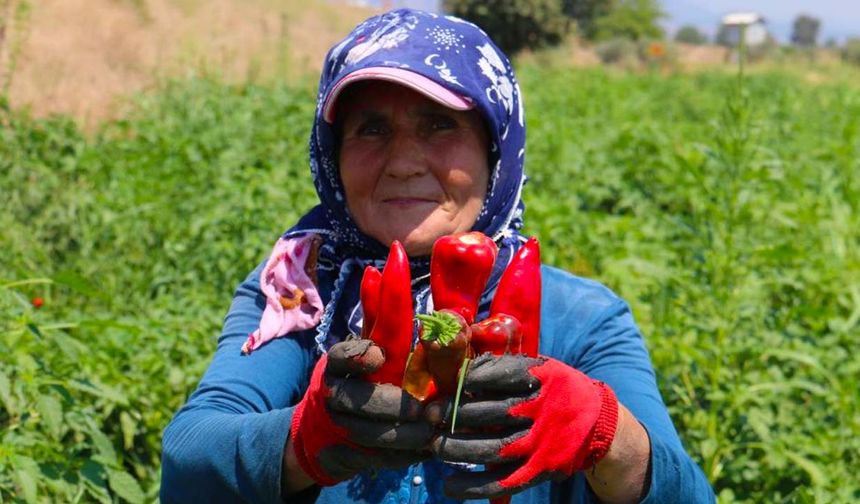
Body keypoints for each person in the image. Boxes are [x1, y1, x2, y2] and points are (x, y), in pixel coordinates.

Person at [160, 8, 715, 503]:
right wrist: (299, 443)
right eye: (371, 128)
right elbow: (188, 462)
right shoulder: (297, 295)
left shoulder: (584, 319)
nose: (403, 161)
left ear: (494, 151)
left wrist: (608, 435)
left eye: (440, 124)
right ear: (334, 158)